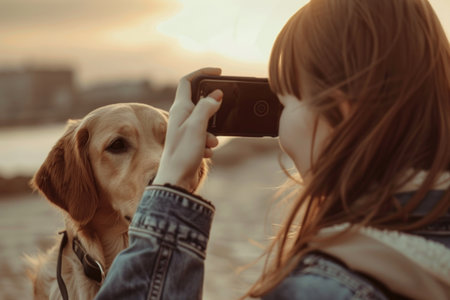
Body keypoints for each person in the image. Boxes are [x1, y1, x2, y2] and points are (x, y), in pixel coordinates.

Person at [95, 0, 450, 299]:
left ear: (342, 111)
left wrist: (169, 192)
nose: (278, 125)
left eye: (284, 100)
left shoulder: (323, 288)